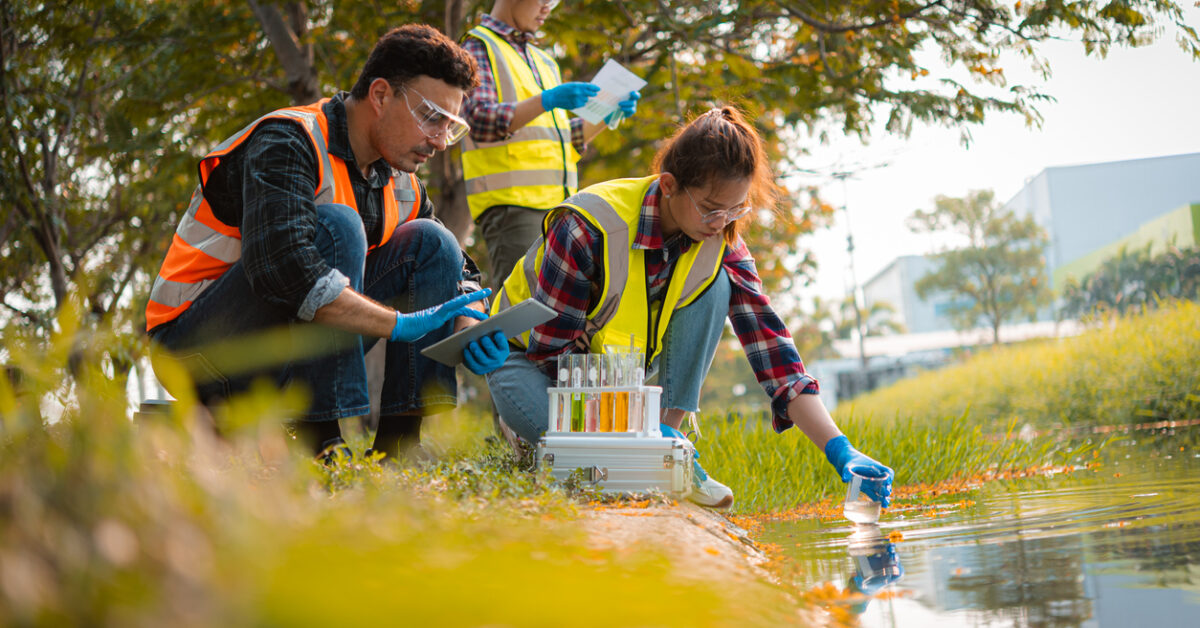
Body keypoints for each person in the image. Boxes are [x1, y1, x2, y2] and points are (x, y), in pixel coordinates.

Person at [485, 107, 894, 509]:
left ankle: (665, 444)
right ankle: (620, 451)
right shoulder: (588, 225)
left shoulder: (722, 244)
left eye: (736, 209)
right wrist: (637, 432)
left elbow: (773, 352)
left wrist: (841, 449)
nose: (720, 222)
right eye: (710, 207)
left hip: (618, 382)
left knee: (718, 285)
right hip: (529, 365)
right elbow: (551, 355)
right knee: (607, 474)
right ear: (668, 185)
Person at [145, 25, 510, 462]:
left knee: (433, 241)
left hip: (282, 355)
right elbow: (281, 269)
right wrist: (395, 322)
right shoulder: (287, 141)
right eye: (431, 117)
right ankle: (322, 445)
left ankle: (400, 449)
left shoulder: (401, 182)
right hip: (199, 353)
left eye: (450, 127)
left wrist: (469, 325)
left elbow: (461, 270)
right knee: (339, 225)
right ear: (380, 95)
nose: (438, 141)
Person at [459, 0, 641, 289]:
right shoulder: (478, 46)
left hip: (560, 208)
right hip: (513, 208)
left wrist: (608, 112)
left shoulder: (544, 62)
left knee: (557, 308)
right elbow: (479, 119)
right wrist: (547, 100)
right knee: (518, 310)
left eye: (552, 2)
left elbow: (562, 142)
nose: (547, 8)